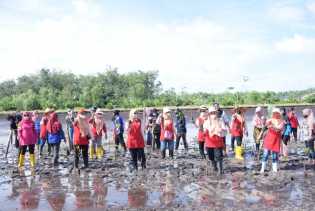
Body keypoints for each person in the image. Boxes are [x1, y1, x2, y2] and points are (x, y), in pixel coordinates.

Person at [203, 106, 227, 175]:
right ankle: (215, 167)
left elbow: (225, 131)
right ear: (209, 114)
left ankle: (220, 170)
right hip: (209, 143)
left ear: (216, 113)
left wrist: (221, 130)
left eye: (214, 112)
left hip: (218, 143)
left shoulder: (220, 120)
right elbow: (204, 132)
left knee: (219, 157)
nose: (213, 114)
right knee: (211, 157)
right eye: (211, 113)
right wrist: (206, 131)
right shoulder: (206, 122)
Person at [260, 108, 284, 173]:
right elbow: (265, 126)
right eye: (274, 113)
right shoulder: (270, 120)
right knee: (265, 154)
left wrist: (272, 126)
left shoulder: (281, 121)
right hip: (269, 138)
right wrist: (266, 124)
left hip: (276, 139)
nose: (275, 114)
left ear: (279, 114)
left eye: (277, 113)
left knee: (275, 155)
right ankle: (262, 168)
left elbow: (279, 128)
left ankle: (274, 169)